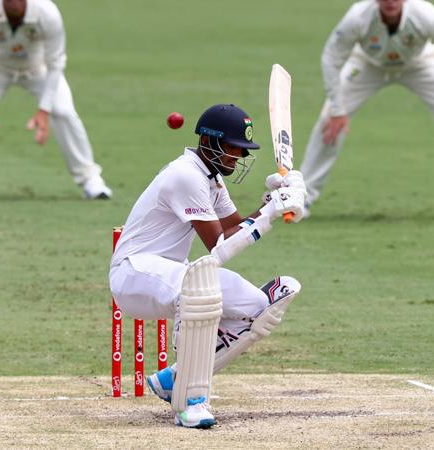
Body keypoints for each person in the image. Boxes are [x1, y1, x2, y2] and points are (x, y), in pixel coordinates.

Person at [109, 104, 307, 428]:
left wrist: (272, 200)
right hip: (134, 273)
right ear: (208, 142)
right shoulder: (185, 175)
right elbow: (218, 247)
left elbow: (234, 227)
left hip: (173, 273)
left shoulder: (210, 178)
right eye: (232, 148)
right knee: (199, 291)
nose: (238, 157)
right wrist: (271, 215)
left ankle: (174, 378)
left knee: (258, 308)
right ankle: (191, 402)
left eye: (241, 150)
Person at [299, 0, 434, 220]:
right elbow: (330, 56)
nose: (391, 2)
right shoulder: (358, 16)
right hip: (367, 65)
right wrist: (338, 111)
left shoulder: (424, 13)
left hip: (419, 64)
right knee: (329, 122)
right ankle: (302, 196)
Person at [0, 0, 112, 200]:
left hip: (38, 68)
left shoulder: (47, 13)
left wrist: (44, 110)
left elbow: (56, 63)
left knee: (63, 112)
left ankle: (90, 179)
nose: (15, 2)